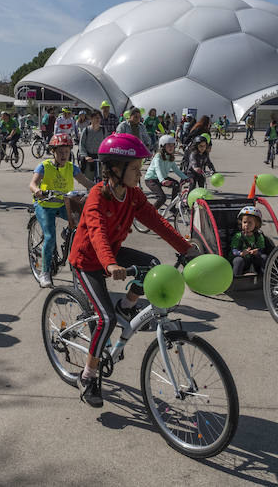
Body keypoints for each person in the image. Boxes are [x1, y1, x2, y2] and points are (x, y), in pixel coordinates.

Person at [67, 133, 196, 407]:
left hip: (111, 255)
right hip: (88, 261)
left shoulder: (133, 195)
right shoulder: (96, 197)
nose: (140, 173)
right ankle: (88, 375)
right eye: (136, 168)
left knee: (151, 266)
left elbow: (158, 222)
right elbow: (98, 233)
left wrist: (185, 247)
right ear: (115, 168)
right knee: (105, 319)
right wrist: (111, 265)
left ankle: (127, 305)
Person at [29, 133, 94, 288]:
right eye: (60, 152)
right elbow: (32, 184)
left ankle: (68, 233)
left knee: (84, 224)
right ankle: (45, 273)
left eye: (66, 152)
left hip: (64, 204)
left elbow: (86, 182)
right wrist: (37, 190)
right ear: (53, 152)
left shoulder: (72, 168)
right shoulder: (44, 166)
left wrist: (100, 189)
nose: (64, 155)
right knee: (50, 237)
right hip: (45, 205)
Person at [143, 134, 187, 210]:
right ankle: (151, 214)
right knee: (162, 198)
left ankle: (172, 208)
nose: (171, 147)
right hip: (151, 179)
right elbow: (158, 169)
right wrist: (162, 180)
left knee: (176, 185)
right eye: (168, 145)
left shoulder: (170, 157)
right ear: (162, 146)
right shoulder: (158, 156)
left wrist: (186, 178)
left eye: (173, 145)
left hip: (162, 178)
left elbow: (176, 170)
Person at [228, 206, 274, 276]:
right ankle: (236, 280)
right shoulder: (238, 236)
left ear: (256, 224)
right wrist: (240, 253)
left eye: (250, 223)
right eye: (244, 222)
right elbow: (233, 250)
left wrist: (257, 251)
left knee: (264, 257)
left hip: (252, 259)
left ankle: (263, 278)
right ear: (241, 223)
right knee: (238, 260)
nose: (246, 225)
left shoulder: (258, 236)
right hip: (241, 259)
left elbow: (261, 249)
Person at [78, 110, 105, 181]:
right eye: (96, 118)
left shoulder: (104, 130)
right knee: (89, 181)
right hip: (89, 158)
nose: (98, 120)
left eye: (99, 118)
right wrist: (85, 156)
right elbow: (82, 145)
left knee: (102, 181)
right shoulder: (86, 130)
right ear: (91, 119)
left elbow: (106, 144)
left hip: (100, 159)